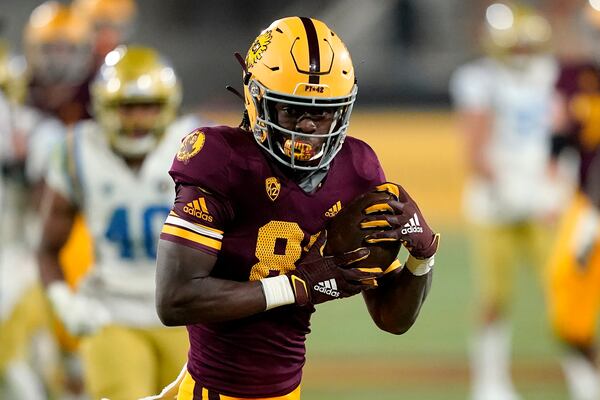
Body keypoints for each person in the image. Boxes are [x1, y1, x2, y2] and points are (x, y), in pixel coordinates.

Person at [149, 16, 439, 400]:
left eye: (323, 113)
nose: (308, 128)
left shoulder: (357, 169)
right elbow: (174, 299)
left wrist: (423, 257)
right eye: (292, 110)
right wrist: (296, 286)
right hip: (214, 389)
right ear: (256, 99)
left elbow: (392, 318)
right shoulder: (220, 160)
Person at [37, 45, 195, 400]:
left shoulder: (195, 145)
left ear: (168, 107)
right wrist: (65, 302)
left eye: (148, 107)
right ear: (104, 108)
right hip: (113, 312)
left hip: (190, 314)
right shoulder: (78, 151)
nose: (138, 120)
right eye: (127, 108)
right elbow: (47, 248)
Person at [449, 2, 564, 400]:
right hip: (495, 203)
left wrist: (553, 187)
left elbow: (560, 139)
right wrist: (509, 187)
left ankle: (584, 375)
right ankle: (489, 381)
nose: (521, 53)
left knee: (565, 292)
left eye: (525, 46)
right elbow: (475, 149)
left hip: (541, 201)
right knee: (494, 296)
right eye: (514, 46)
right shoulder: (479, 80)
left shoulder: (551, 76)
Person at [544, 2, 600, 399]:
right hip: (587, 200)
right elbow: (559, 135)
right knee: (566, 300)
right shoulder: (573, 74)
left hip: (593, 204)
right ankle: (588, 385)